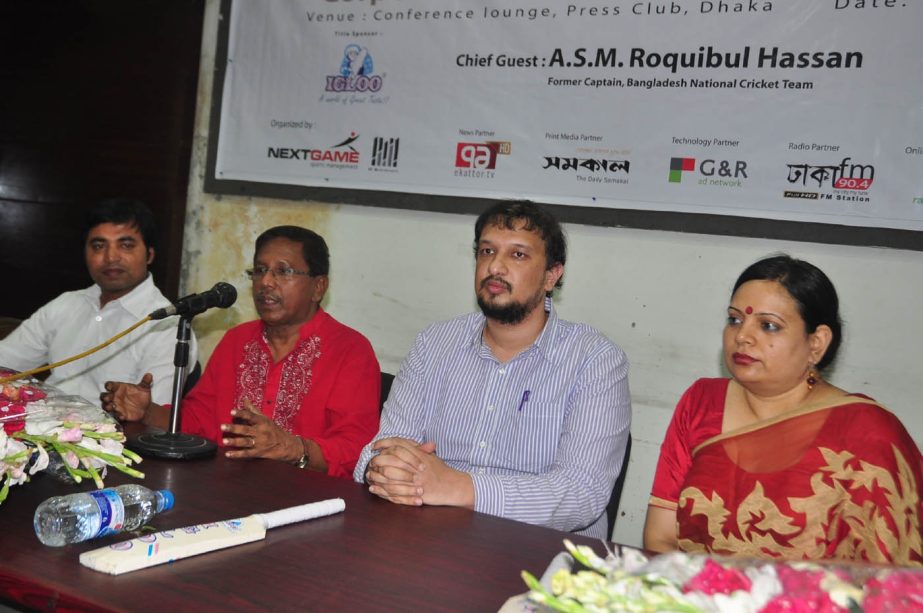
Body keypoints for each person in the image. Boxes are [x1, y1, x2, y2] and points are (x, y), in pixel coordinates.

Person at [354, 201, 631, 538]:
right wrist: (382, 469)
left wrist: (458, 487)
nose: (495, 266)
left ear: (551, 275)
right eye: (486, 251)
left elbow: (581, 494)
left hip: (540, 553)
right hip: (429, 538)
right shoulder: (434, 343)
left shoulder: (595, 359)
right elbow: (380, 449)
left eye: (518, 255)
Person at [644, 255, 922, 565]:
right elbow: (660, 538)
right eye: (735, 319)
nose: (742, 336)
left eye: (768, 326)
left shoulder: (868, 432)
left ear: (816, 343)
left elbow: (893, 576)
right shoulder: (701, 404)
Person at [102, 226, 381, 479]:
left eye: (283, 272)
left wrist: (291, 448)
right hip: (226, 488)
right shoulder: (237, 340)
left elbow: (356, 450)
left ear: (318, 287)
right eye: (259, 270)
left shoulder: (350, 351)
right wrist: (147, 412)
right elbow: (199, 420)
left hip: (310, 501)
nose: (266, 283)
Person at [0, 198, 195, 406]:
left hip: (114, 436)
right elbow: (6, 361)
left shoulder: (168, 326)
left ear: (149, 255)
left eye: (126, 245)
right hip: (43, 426)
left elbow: (154, 417)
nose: (111, 257)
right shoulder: (67, 304)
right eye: (99, 245)